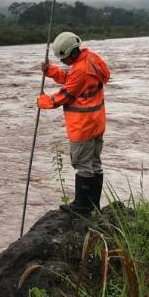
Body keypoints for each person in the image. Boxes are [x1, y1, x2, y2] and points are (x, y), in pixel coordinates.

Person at [37, 32, 110, 213]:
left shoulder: (80, 69)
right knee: (94, 164)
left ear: (71, 53)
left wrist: (43, 101)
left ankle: (82, 205)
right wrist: (52, 71)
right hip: (96, 122)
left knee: (82, 165)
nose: (63, 62)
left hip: (83, 126)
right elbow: (74, 81)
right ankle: (93, 205)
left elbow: (65, 96)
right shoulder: (91, 59)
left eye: (64, 59)